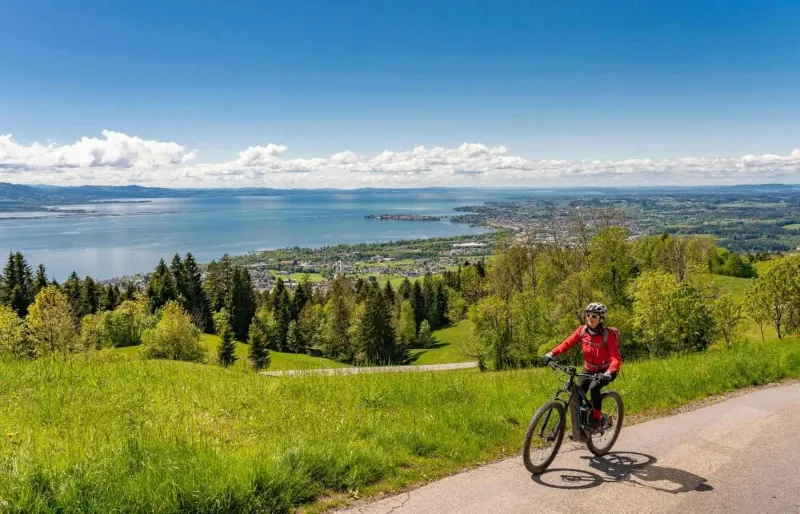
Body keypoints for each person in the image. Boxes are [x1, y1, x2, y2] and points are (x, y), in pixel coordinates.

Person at [542, 302, 622, 429]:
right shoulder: (582, 330)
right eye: (588, 315)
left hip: (605, 371)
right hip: (589, 368)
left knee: (594, 387)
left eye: (594, 316)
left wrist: (608, 373)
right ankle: (580, 428)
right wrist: (551, 353)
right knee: (576, 394)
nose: (590, 318)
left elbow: (615, 358)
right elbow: (566, 343)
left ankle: (597, 419)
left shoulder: (608, 335)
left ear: (601, 319)